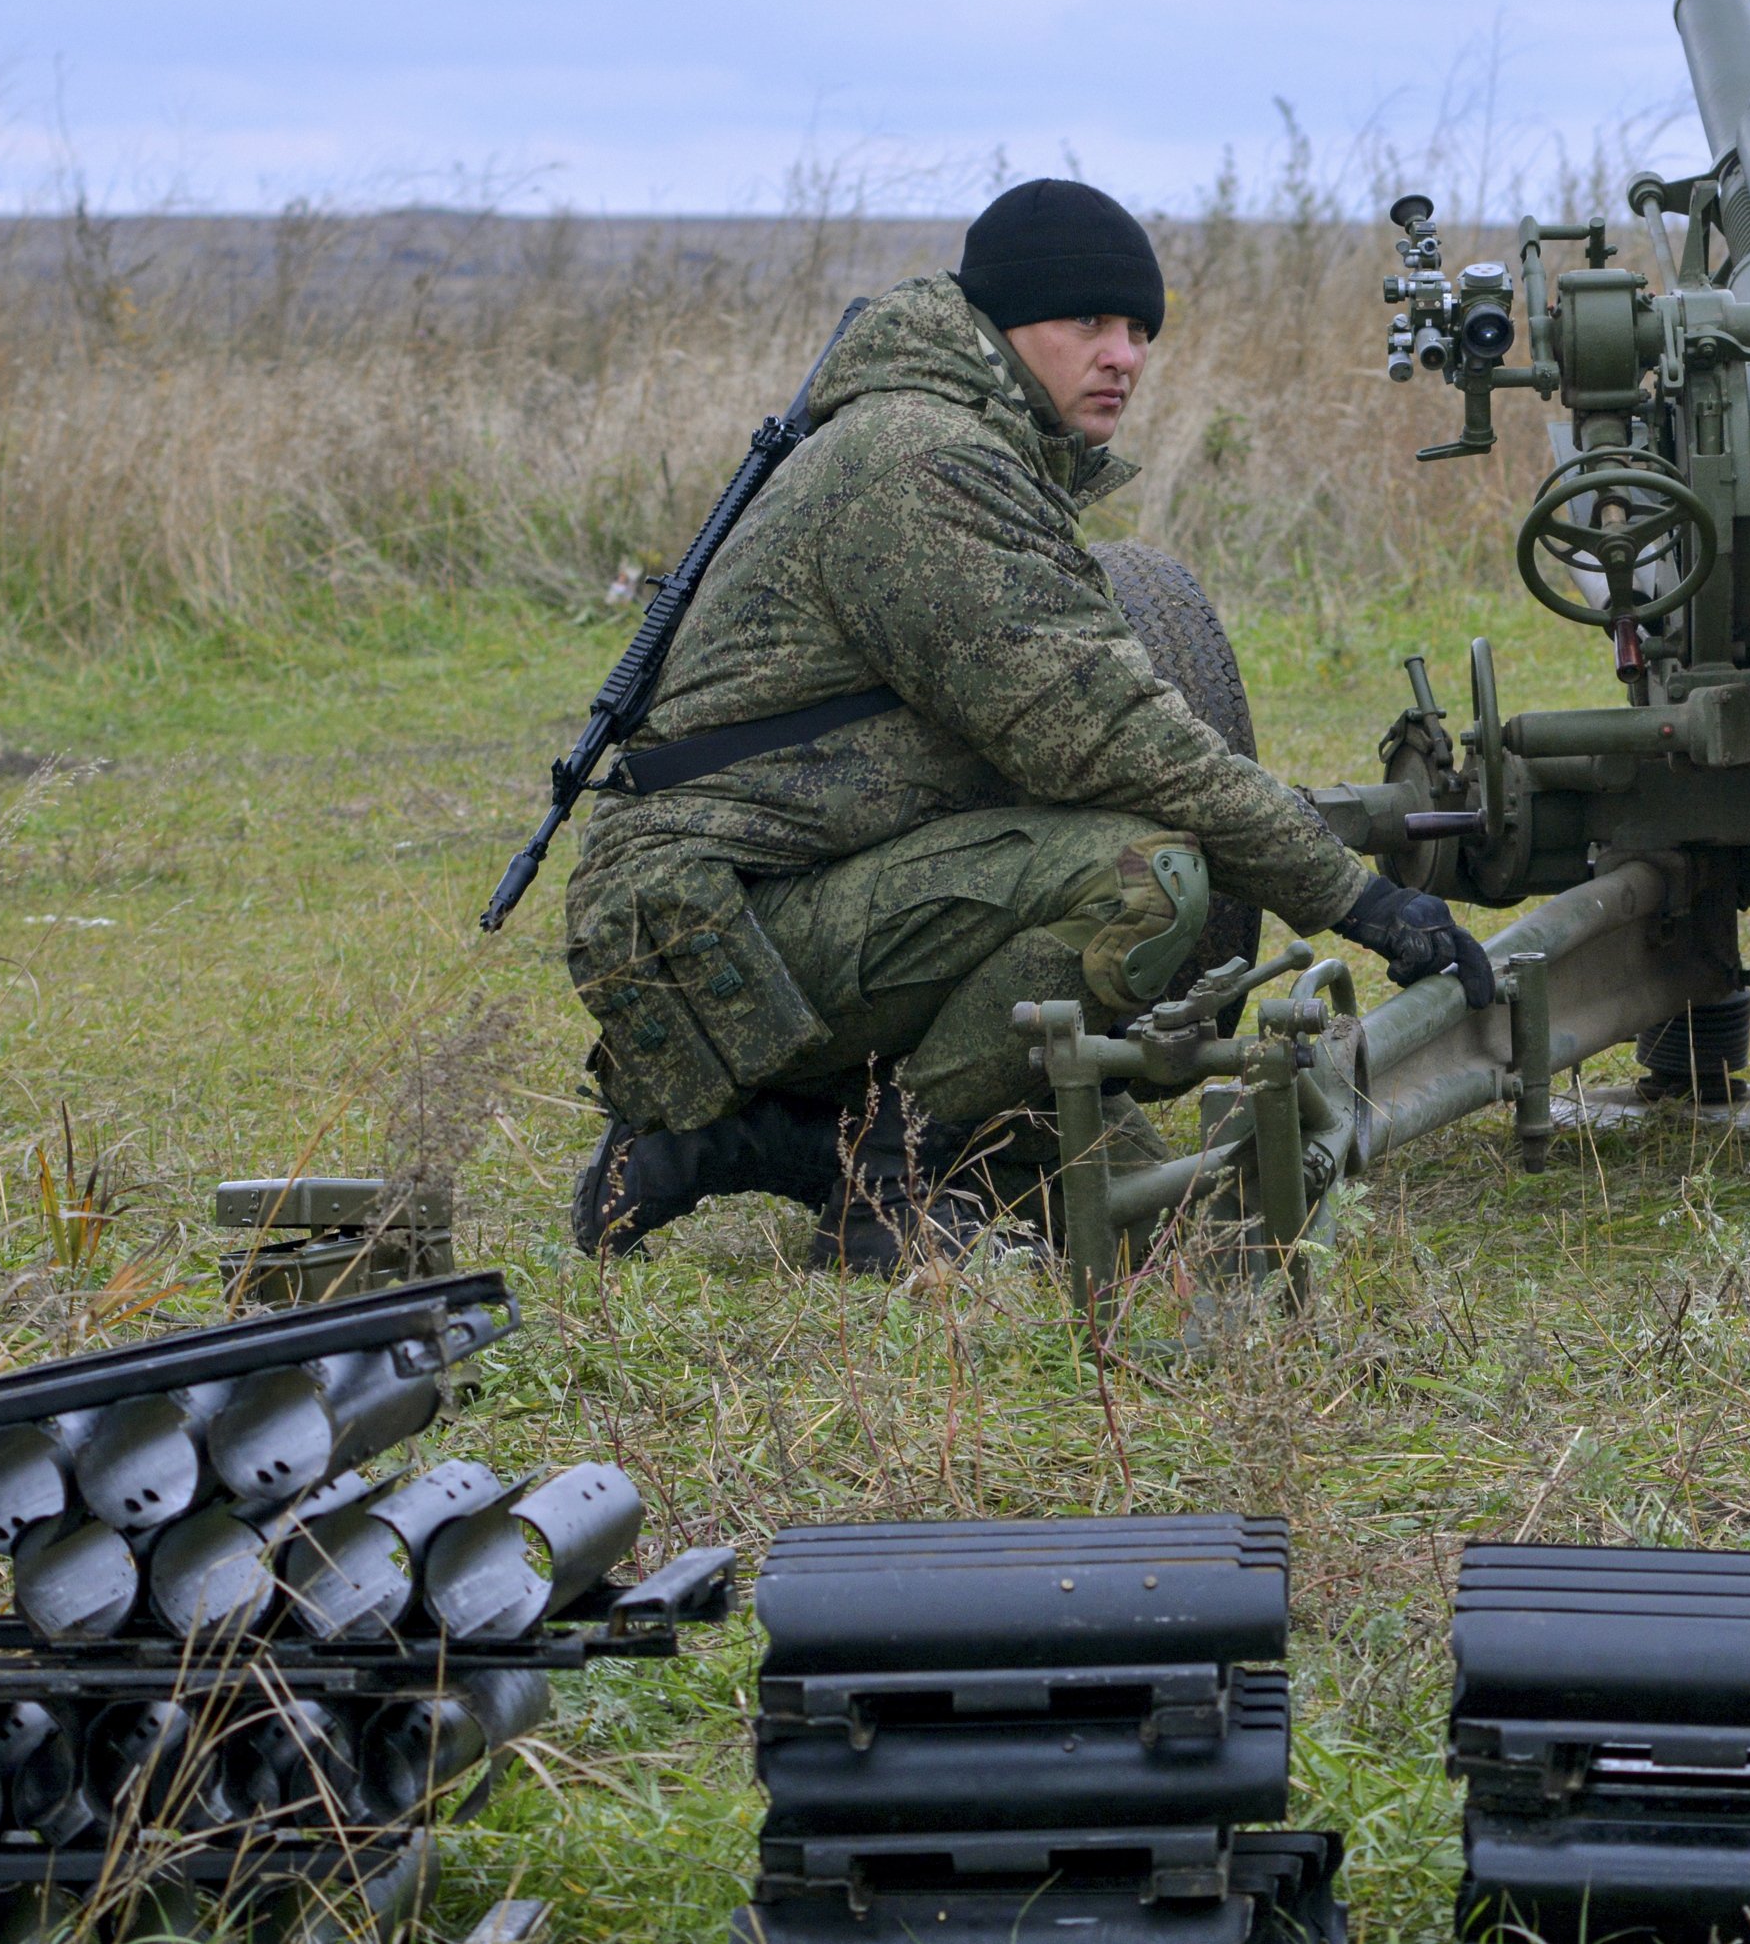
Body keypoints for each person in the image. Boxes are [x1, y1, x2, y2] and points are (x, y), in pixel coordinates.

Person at [563, 178, 1492, 1268]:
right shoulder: (920, 465)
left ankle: (749, 1140)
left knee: (1161, 1232)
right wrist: (1359, 898)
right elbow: (1110, 733)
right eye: (1087, 322)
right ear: (1000, 328)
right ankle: (885, 1183)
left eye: (1140, 328)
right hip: (719, 920)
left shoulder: (960, 445)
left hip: (796, 892)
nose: (1124, 356)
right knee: (1144, 885)